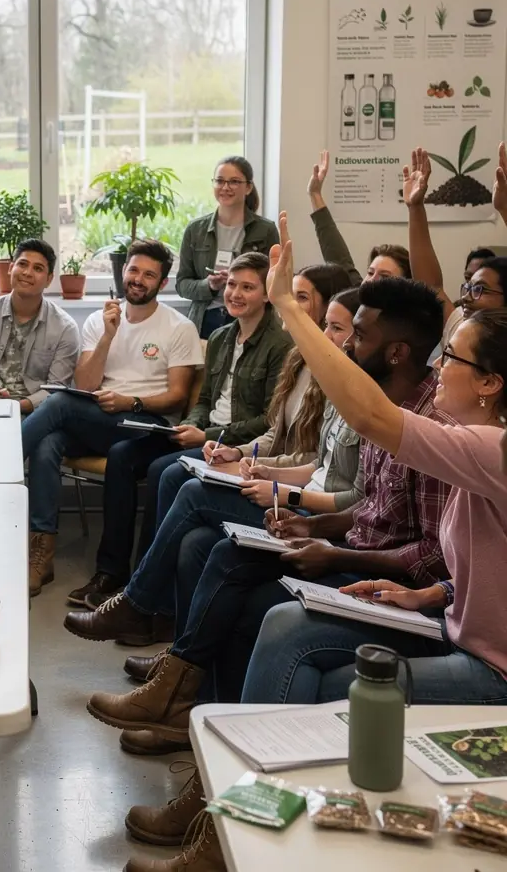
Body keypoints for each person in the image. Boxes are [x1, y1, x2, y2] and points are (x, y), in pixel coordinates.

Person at [80, 273, 451, 748]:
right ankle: (184, 701)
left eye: (358, 335)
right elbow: (373, 507)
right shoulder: (382, 405)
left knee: (251, 598)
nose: (345, 345)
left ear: (396, 352)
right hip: (347, 546)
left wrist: (333, 551)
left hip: (386, 581)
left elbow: (431, 556)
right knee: (213, 548)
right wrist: (311, 526)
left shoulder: (429, 430)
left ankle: (188, 696)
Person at [242, 211, 507, 709]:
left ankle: (261, 754)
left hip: (492, 668)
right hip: (452, 625)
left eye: (452, 357)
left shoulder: (493, 449)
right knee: (285, 625)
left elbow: (368, 415)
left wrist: (287, 307)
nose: (438, 364)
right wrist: (436, 594)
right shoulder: (474, 443)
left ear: (490, 383)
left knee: (327, 676)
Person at [64, 284, 360, 647]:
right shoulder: (285, 355)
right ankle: (166, 629)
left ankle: (139, 601)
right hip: (266, 470)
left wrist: (270, 477)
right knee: (191, 528)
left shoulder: (327, 377)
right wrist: (240, 454)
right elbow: (277, 435)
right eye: (231, 284)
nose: (326, 334)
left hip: (303, 506)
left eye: (336, 327)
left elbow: (324, 472)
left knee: (182, 484)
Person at [66, 252, 291, 611]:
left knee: (163, 471)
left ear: (267, 295)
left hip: (236, 444)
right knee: (123, 456)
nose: (235, 293)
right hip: (201, 433)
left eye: (248, 287)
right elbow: (204, 399)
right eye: (232, 285)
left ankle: (144, 588)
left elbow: (269, 421)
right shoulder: (221, 336)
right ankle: (111, 572)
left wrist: (207, 434)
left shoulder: (280, 345)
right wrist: (195, 423)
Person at [22, 239, 201, 596]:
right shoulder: (99, 320)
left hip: (148, 425)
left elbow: (178, 396)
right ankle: (42, 554)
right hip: (102, 420)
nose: (138, 279)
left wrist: (129, 402)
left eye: (149, 275)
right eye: (133, 270)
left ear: (162, 283)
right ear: (123, 272)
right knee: (47, 443)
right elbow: (86, 384)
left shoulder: (178, 327)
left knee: (60, 404)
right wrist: (108, 336)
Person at [0, 238, 79, 416]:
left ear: (49, 279)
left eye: (38, 268)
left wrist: (14, 406)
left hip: (35, 415)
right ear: (11, 268)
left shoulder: (65, 328)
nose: (27, 273)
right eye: (22, 264)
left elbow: (56, 389)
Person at [405, 144, 507, 350]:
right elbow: (431, 287)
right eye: (468, 287)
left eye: (480, 289)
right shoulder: (462, 329)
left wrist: (504, 209)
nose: (466, 297)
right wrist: (415, 208)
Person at [175, 155, 280, 337]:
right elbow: (182, 285)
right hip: (205, 319)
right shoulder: (195, 230)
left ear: (248, 187)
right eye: (220, 181)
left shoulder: (266, 230)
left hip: (250, 319)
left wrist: (243, 283)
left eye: (234, 182)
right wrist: (209, 285)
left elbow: (274, 282)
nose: (225, 187)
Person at [306, 148, 411, 283]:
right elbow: (339, 261)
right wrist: (315, 194)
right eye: (370, 273)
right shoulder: (356, 294)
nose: (372, 280)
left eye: (384, 276)